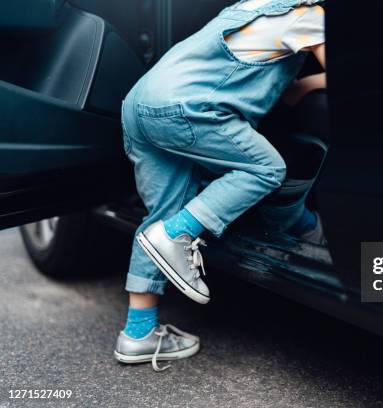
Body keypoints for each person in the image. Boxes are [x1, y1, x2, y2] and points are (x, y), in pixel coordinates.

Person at [114, 0, 327, 371]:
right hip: (187, 109)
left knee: (161, 217)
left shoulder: (250, 6)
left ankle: (138, 334)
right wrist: (309, 82)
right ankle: (179, 234)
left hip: (140, 103)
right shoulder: (310, 16)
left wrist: (294, 85)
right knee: (265, 169)